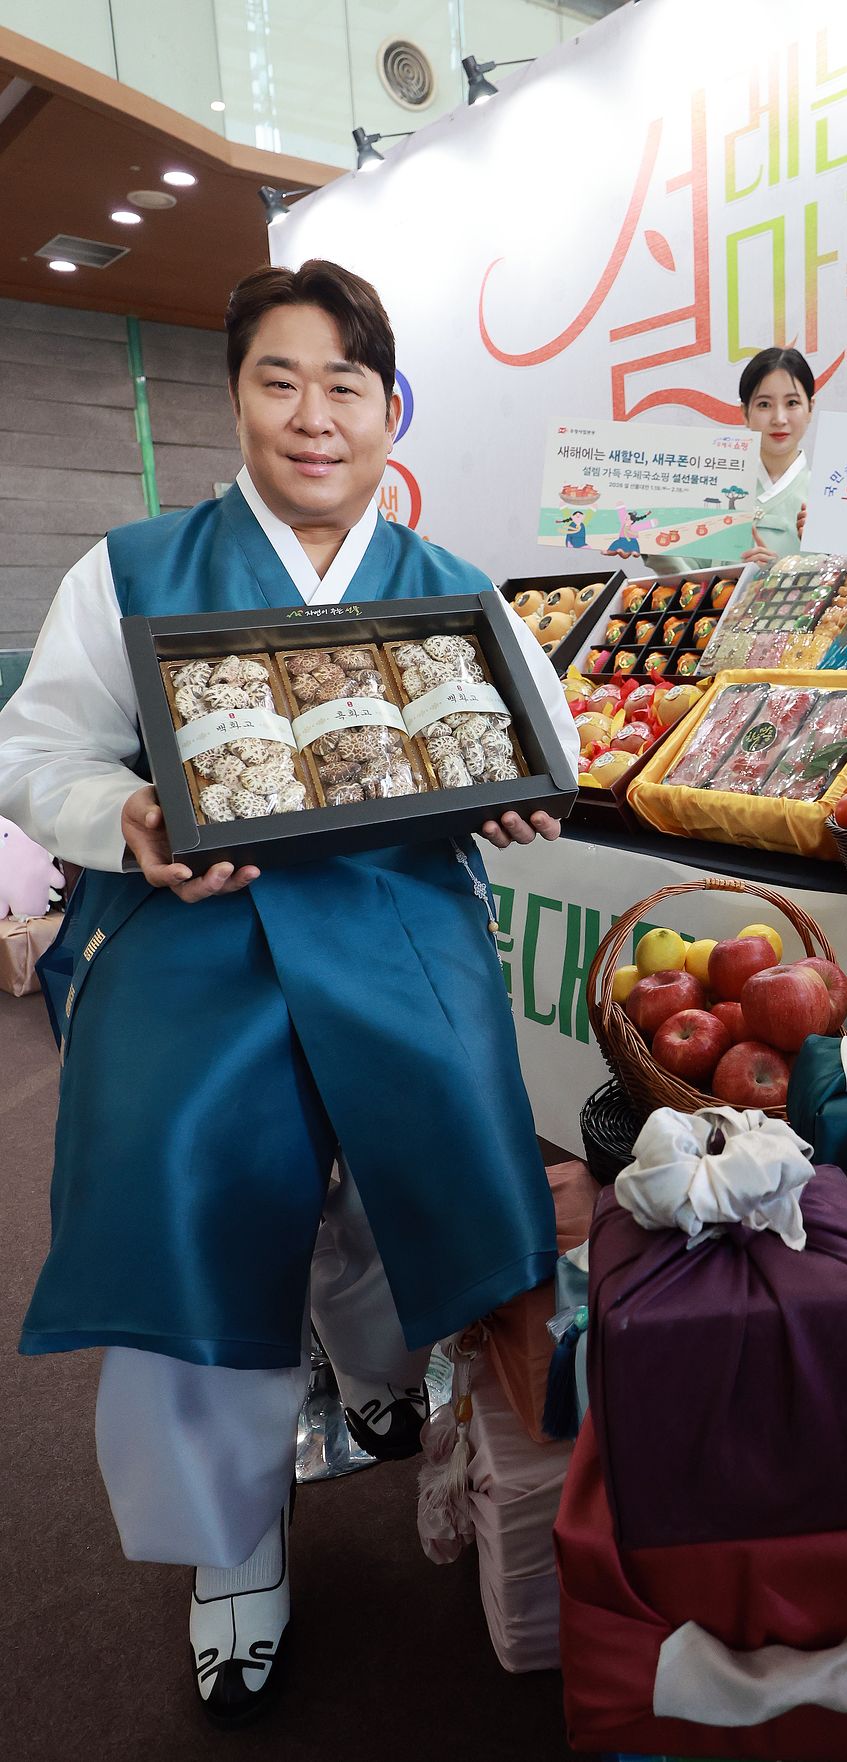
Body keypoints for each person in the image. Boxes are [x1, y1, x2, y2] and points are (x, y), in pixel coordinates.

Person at [0, 259, 578, 1727]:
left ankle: (373, 1358)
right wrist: (128, 813)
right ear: (236, 398)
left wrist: (524, 793)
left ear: (390, 412)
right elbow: (36, 752)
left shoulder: (455, 591)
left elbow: (546, 742)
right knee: (182, 1186)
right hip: (194, 927)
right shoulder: (132, 570)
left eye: (345, 386)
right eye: (280, 380)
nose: (314, 416)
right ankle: (232, 1540)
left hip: (398, 917)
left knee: (439, 1146)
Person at [647, 346, 815, 572]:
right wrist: (647, 542)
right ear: (745, 413)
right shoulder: (715, 491)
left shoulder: (828, 499)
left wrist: (825, 548)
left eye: (792, 403)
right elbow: (689, 575)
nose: (779, 418)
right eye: (764, 404)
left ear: (810, 407)